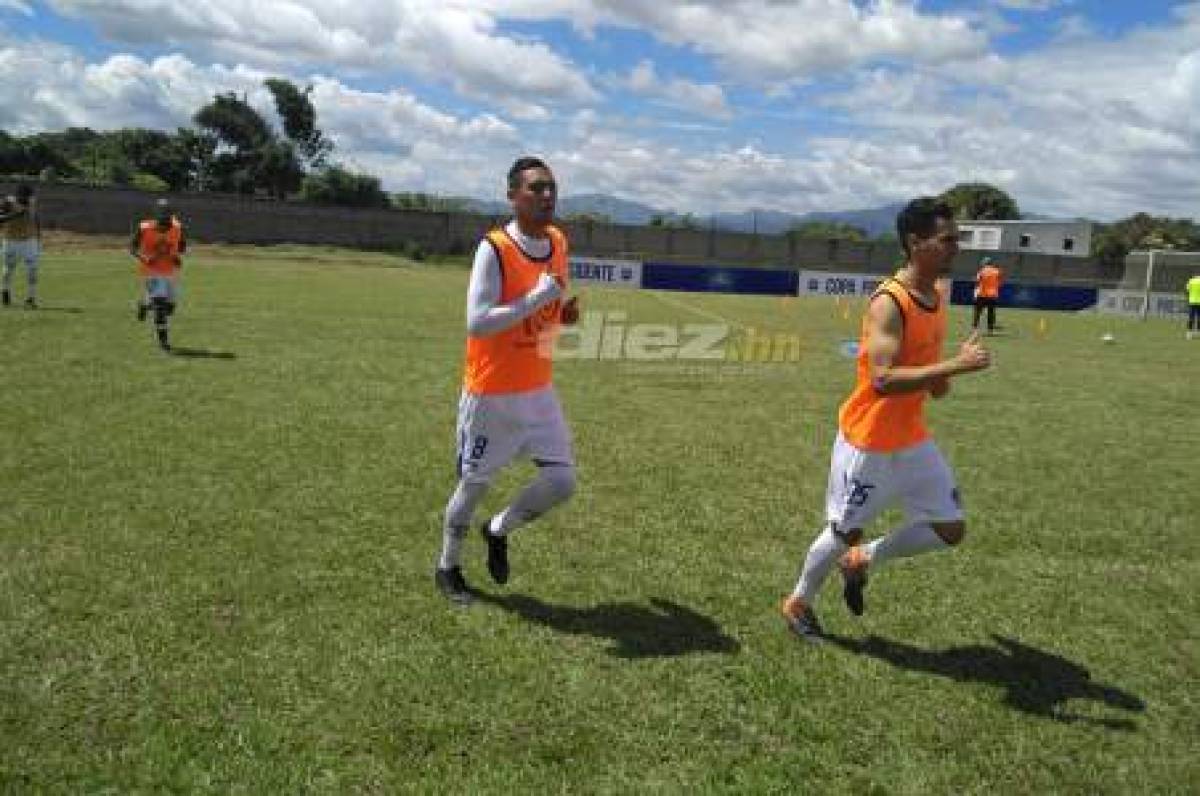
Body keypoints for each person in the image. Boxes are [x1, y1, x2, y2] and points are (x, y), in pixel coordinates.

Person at [780, 197, 992, 641]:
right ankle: (798, 603)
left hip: (911, 437)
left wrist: (939, 379)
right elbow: (882, 379)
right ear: (915, 243)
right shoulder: (889, 303)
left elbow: (924, 364)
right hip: (869, 441)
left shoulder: (936, 294)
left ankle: (863, 560)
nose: (956, 248)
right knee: (844, 530)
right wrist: (953, 367)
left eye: (957, 239)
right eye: (947, 240)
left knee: (950, 528)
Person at [434, 156, 581, 605]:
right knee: (474, 485)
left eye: (551, 188)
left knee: (562, 483)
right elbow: (478, 323)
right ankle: (448, 567)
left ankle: (497, 530)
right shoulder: (494, 248)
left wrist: (560, 314)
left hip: (538, 390)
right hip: (491, 395)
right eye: (536, 189)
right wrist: (535, 298)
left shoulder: (557, 240)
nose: (547, 196)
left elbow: (544, 309)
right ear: (513, 196)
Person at [129, 198, 186, 352]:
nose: (164, 218)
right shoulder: (144, 227)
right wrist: (145, 258)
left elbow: (182, 247)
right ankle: (164, 342)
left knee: (169, 309)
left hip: (170, 271)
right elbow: (132, 248)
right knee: (161, 308)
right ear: (156, 214)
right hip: (151, 272)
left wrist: (176, 257)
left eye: (167, 214)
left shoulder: (177, 227)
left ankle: (145, 305)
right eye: (162, 214)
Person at [1, 185, 42, 309]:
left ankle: (31, 298)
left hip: (29, 241)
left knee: (32, 269)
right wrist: (16, 215)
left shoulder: (31, 203)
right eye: (27, 197)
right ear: (19, 196)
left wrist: (38, 237)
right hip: (11, 241)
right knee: (8, 269)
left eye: (30, 197)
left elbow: (35, 218)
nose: (29, 200)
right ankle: (5, 291)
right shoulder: (7, 203)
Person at [972, 256, 1002, 334]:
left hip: (982, 294)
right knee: (991, 312)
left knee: (978, 312)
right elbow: (1000, 282)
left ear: (985, 263)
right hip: (992, 295)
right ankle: (990, 330)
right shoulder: (997, 271)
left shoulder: (981, 271)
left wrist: (976, 290)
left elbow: (977, 281)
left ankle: (975, 328)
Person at [1186, 273, 1200, 340]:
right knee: (1199, 318)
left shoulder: (1191, 281)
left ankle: (1189, 333)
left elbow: (1187, 291)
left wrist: (1188, 299)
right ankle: (1198, 332)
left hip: (1192, 302)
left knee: (1191, 318)